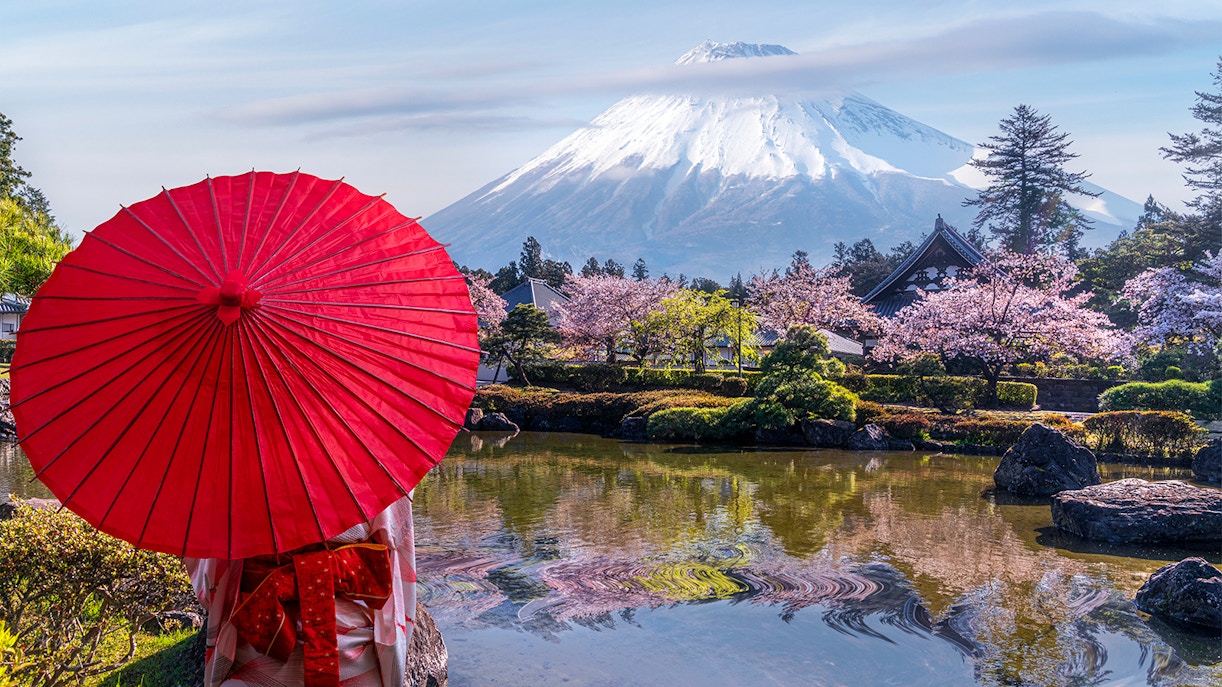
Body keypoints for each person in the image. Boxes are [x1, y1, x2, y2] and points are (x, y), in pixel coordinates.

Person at [186, 496, 417, 687]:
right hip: (353, 649)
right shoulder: (364, 455)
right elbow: (396, 543)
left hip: (262, 636)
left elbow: (210, 577)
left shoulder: (229, 467)